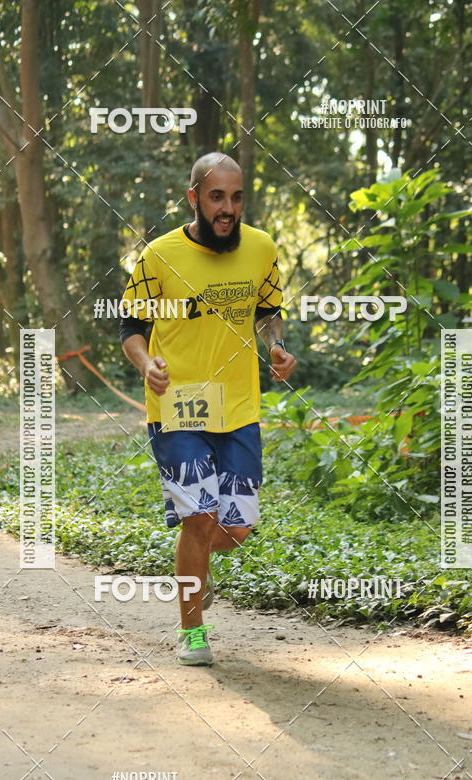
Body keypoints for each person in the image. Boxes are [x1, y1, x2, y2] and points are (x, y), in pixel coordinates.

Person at [119, 152, 296, 666]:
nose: (228, 208)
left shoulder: (261, 248)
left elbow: (268, 313)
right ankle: (192, 631)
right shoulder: (159, 255)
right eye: (217, 196)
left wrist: (277, 347)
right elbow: (130, 328)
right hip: (178, 405)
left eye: (237, 197)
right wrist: (145, 363)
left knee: (235, 529)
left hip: (239, 406)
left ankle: (200, 573)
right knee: (198, 517)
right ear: (194, 196)